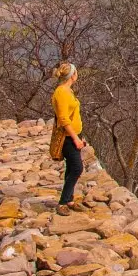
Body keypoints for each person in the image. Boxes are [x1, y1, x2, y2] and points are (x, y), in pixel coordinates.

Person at [51, 62, 87, 215]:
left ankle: (69, 199)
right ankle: (63, 202)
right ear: (73, 75)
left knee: (71, 167)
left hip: (72, 135)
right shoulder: (62, 93)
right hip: (67, 137)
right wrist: (75, 139)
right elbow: (63, 119)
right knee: (77, 168)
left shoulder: (67, 91)